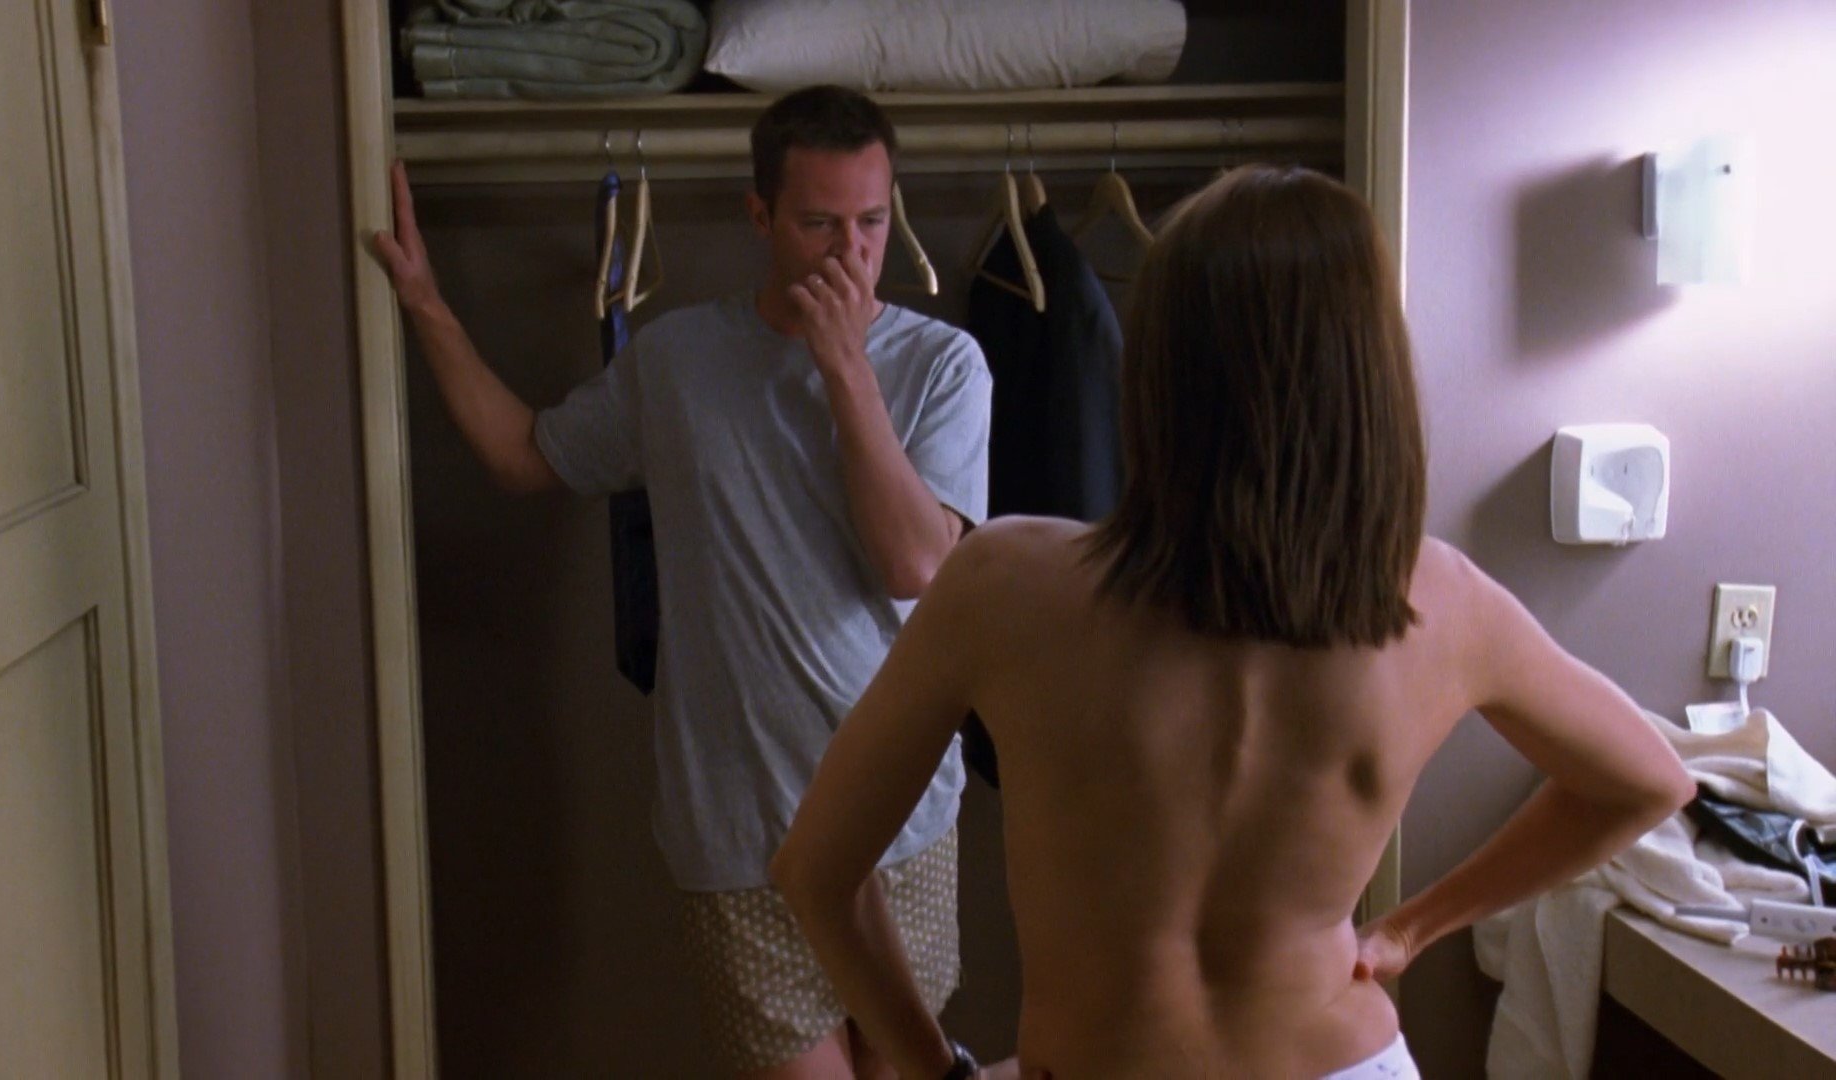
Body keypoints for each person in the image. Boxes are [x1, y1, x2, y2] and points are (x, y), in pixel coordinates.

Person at [770, 164, 1695, 1079]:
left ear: (1161, 371)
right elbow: (1647, 780)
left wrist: (935, 1072)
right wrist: (1411, 930)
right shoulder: (1437, 601)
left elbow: (817, 872)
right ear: (1367, 375)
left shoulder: (1006, 582)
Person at [373, 86, 992, 1079]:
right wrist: (425, 305)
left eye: (872, 222)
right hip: (738, 837)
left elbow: (916, 563)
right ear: (760, 216)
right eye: (819, 223)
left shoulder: (943, 367)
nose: (851, 252)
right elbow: (525, 455)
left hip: (901, 823)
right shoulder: (678, 361)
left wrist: (846, 371)